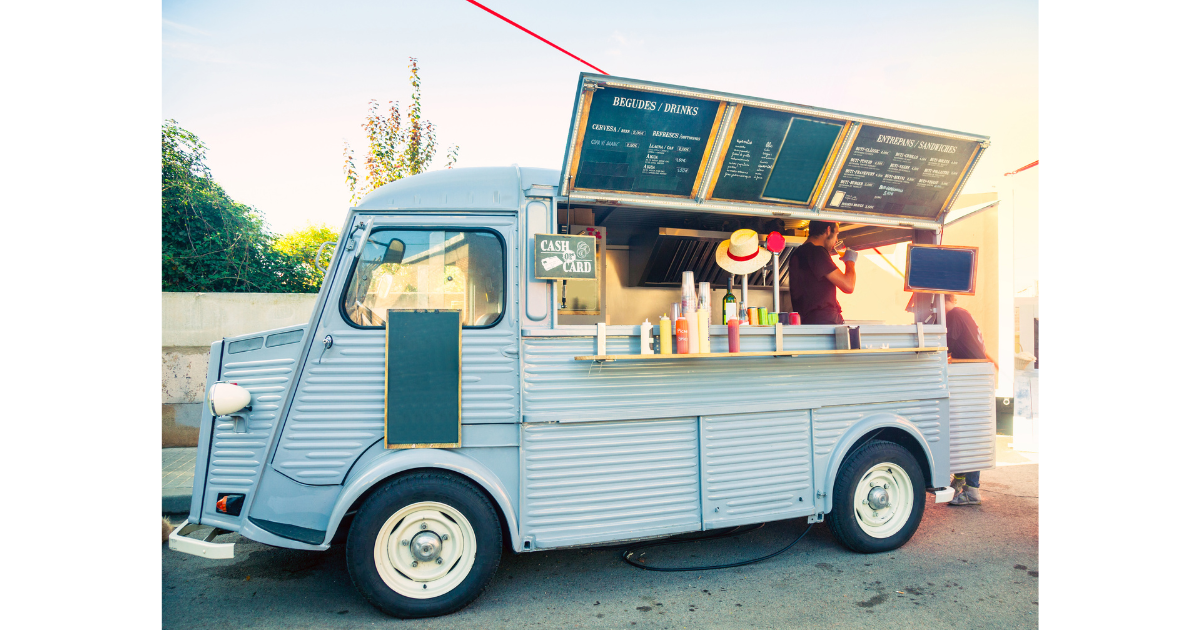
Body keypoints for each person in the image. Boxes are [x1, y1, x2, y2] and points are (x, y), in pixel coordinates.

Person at [944, 292, 998, 506]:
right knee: (964, 428)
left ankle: (972, 490)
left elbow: (944, 346)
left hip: (971, 375)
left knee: (967, 429)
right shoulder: (964, 313)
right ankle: (960, 480)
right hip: (976, 374)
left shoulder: (954, 314)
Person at [788, 220, 857, 325]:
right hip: (825, 322)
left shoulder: (797, 253)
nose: (837, 240)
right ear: (828, 230)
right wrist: (850, 262)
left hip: (806, 322)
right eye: (837, 234)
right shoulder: (817, 252)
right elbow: (848, 286)